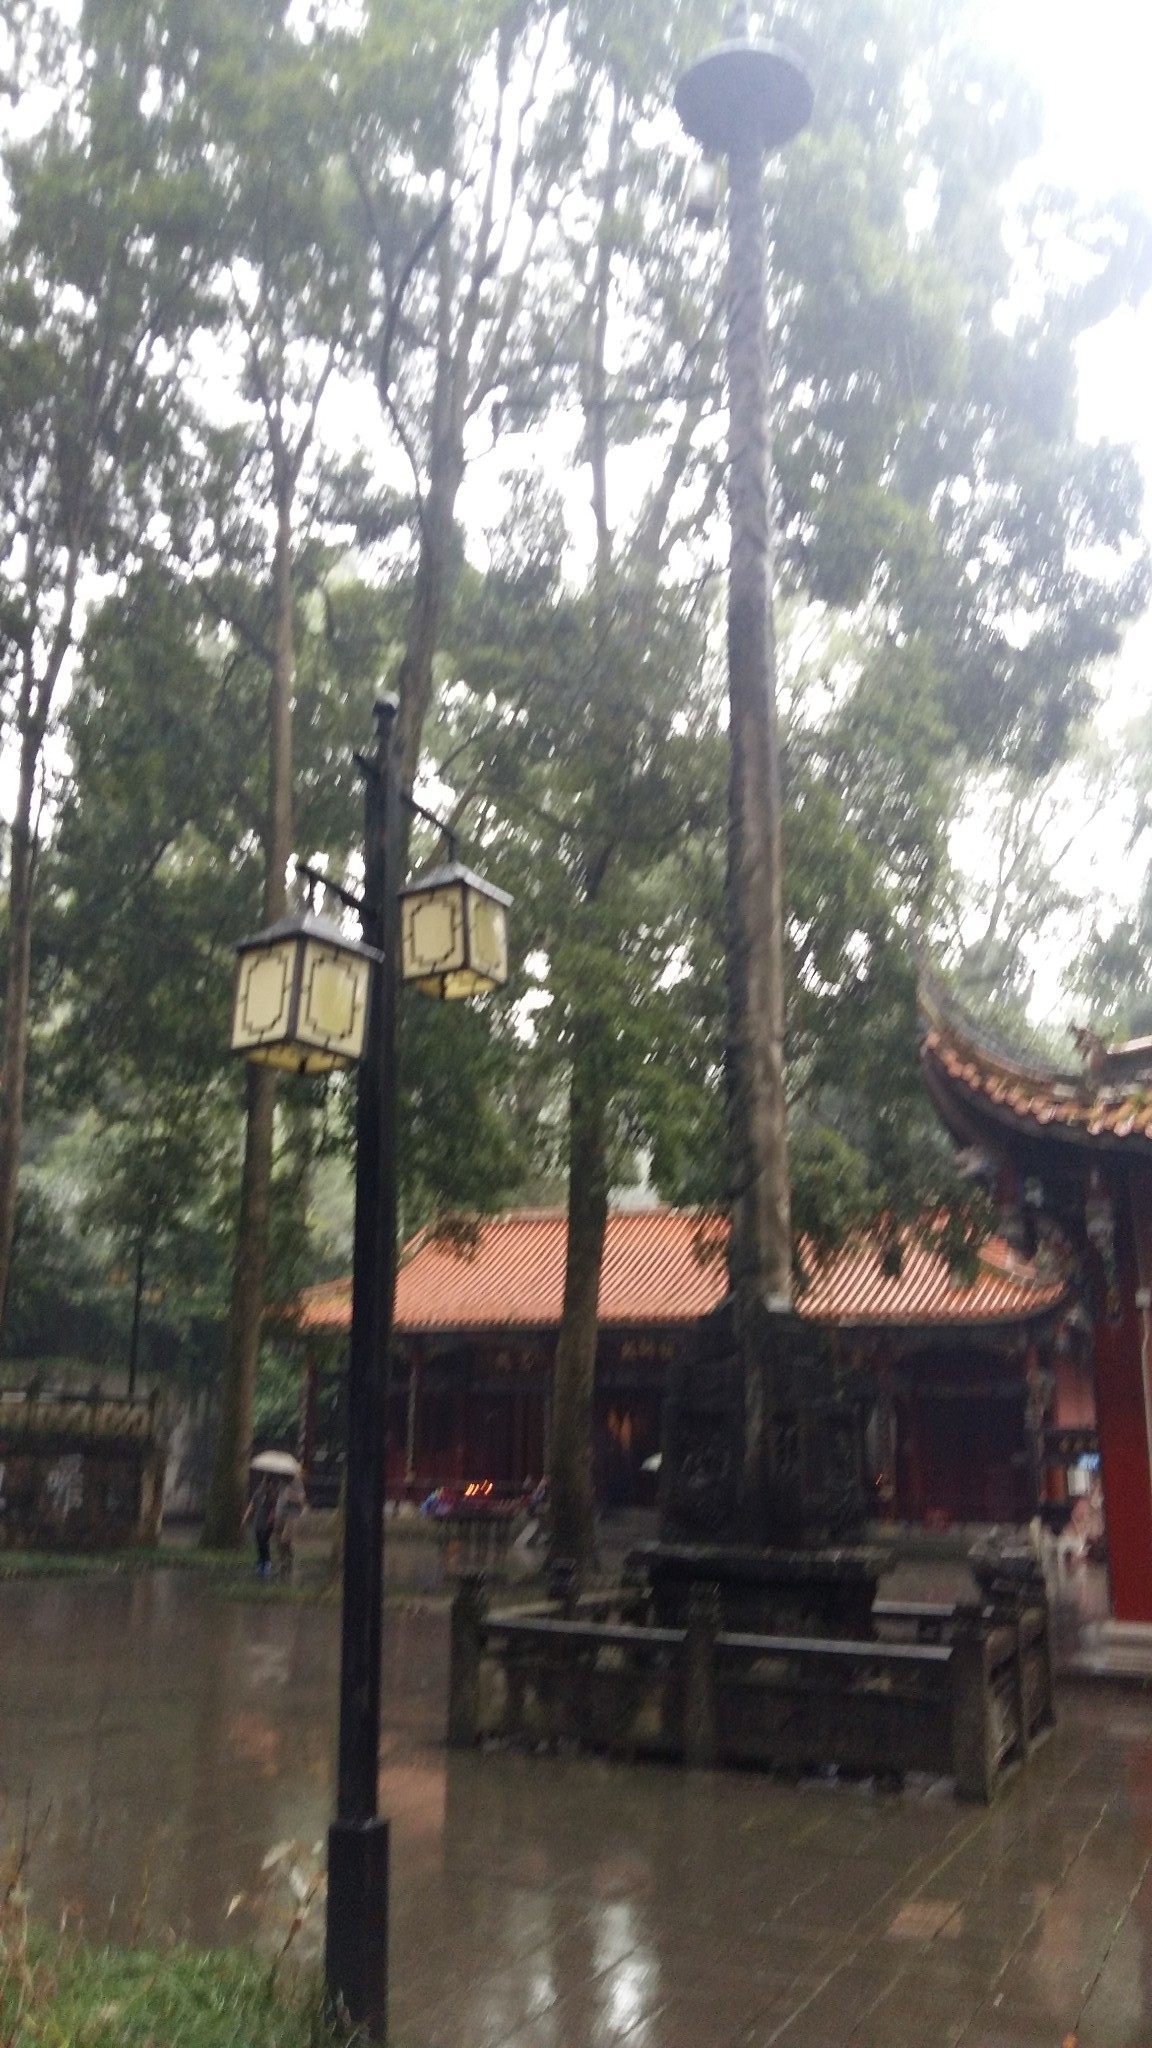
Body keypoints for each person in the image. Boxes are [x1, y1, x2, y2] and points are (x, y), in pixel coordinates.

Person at [242, 1474, 278, 1577]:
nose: (264, 1485)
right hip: (258, 1521)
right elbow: (252, 1505)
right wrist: (245, 1517)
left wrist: (270, 1520)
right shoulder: (258, 1493)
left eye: (266, 1483)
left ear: (270, 1484)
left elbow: (274, 1510)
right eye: (263, 1482)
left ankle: (267, 1563)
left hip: (268, 1523)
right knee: (258, 1543)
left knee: (264, 1543)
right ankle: (260, 1562)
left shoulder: (272, 1496)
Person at [274, 1472, 307, 1578]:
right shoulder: (282, 1481)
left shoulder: (297, 1483)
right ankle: (282, 1561)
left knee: (285, 1538)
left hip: (291, 1515)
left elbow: (301, 1498)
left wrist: (292, 1496)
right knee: (278, 1538)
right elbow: (280, 1496)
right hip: (280, 1514)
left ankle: (288, 1561)